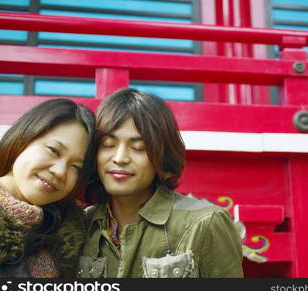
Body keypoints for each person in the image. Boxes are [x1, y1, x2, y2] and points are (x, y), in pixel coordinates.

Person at [80, 88, 243, 278]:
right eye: (108, 144)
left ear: (162, 156)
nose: (120, 158)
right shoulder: (82, 223)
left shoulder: (205, 223)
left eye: (138, 148)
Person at [0, 98, 96, 278]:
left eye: (75, 167)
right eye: (53, 150)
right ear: (23, 138)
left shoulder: (71, 231)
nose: (59, 171)